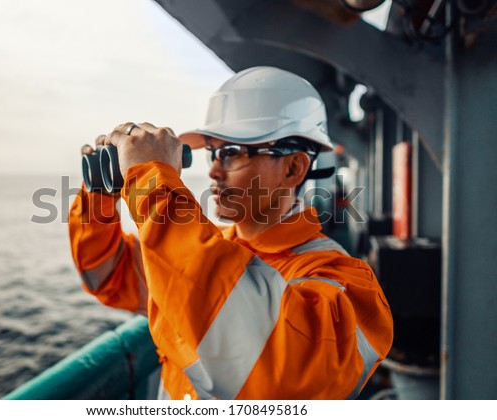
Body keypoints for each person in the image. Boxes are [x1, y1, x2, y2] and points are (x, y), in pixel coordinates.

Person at [68, 66, 393, 399]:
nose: (213, 170)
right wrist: (100, 193)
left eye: (232, 153)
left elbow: (280, 375)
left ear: (294, 168)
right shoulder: (203, 246)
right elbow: (106, 273)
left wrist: (151, 181)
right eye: (213, 151)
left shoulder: (347, 285)